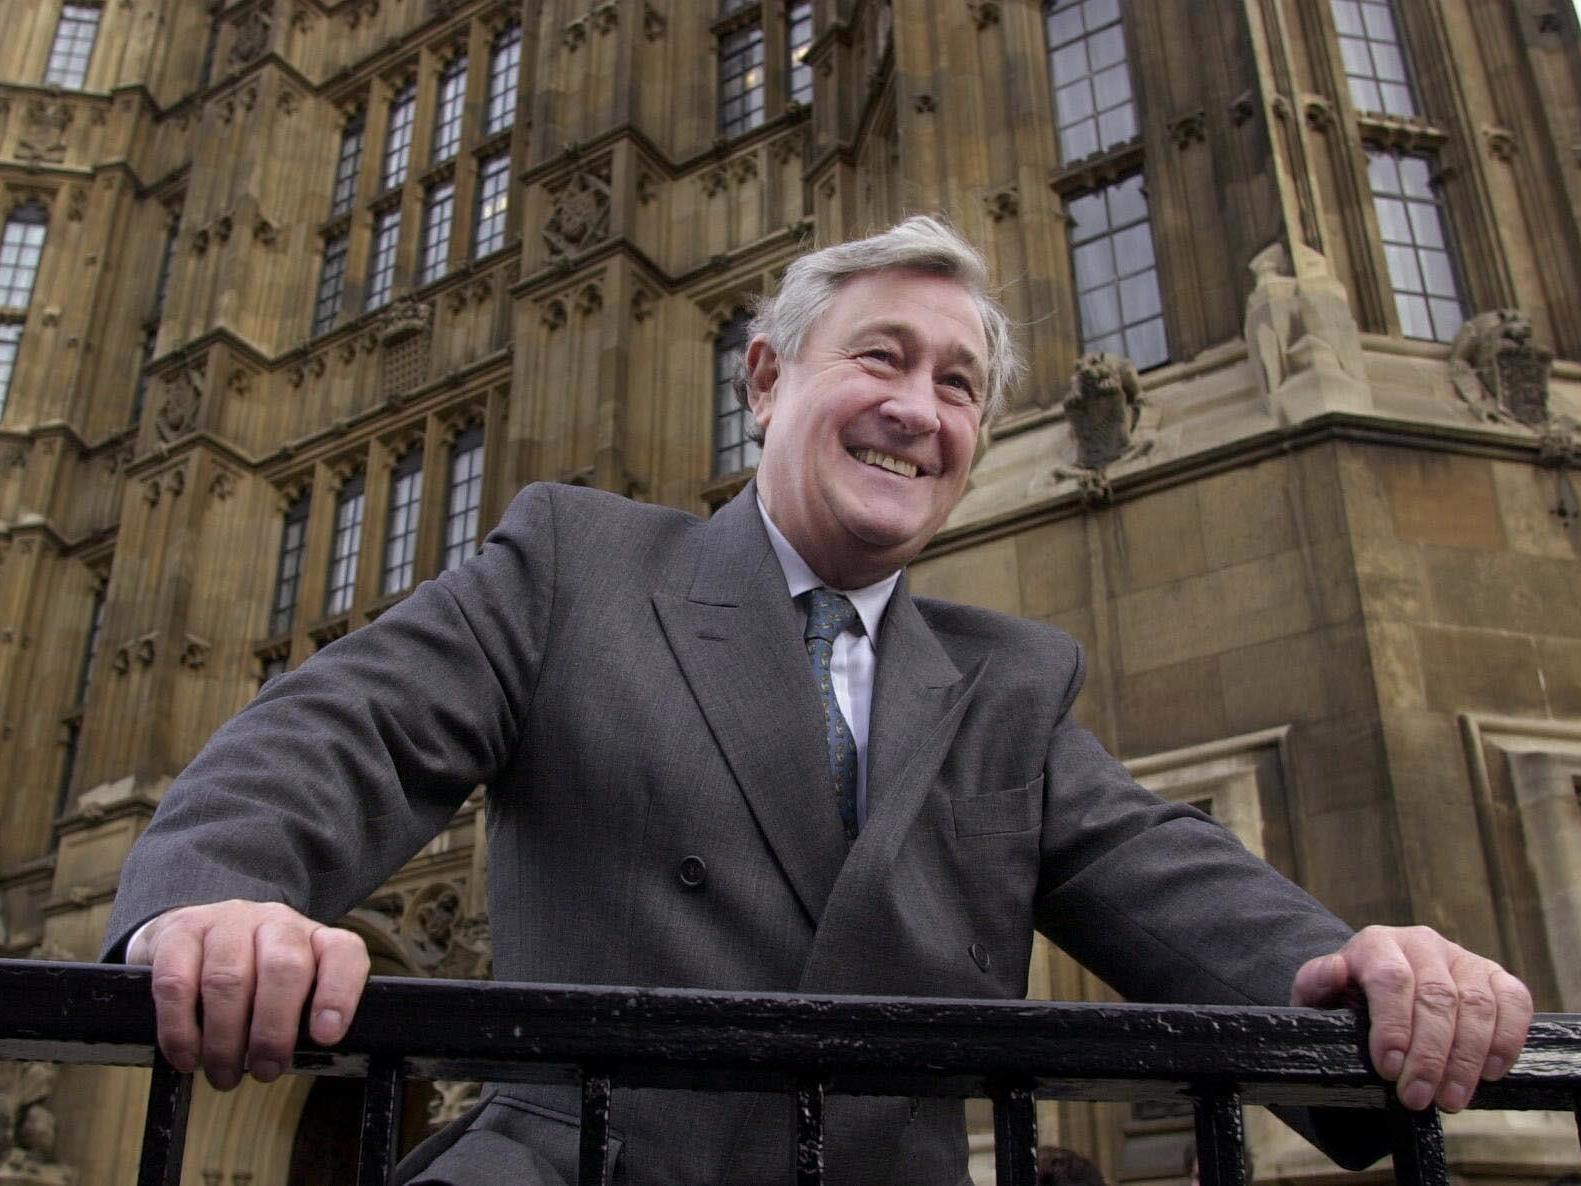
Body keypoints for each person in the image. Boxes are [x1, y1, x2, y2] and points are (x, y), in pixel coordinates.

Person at [104, 217, 1533, 1184]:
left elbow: (1177, 884)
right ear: (767, 379)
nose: (921, 408)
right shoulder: (576, 565)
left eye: (960, 384)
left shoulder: (1007, 682)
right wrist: (217, 894)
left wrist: (1366, 976)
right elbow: (337, 728)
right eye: (883, 358)